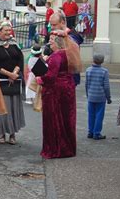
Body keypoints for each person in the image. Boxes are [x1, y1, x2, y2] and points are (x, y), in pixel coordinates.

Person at [37, 31, 80, 159]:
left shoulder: (56, 56)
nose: (50, 42)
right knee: (67, 118)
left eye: (52, 40)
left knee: (55, 119)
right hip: (68, 88)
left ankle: (56, 148)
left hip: (55, 91)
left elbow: (50, 76)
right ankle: (69, 147)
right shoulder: (70, 53)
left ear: (57, 43)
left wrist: (40, 78)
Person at [0, 22, 25, 145]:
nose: (8, 32)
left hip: (14, 81)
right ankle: (2, 133)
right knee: (3, 107)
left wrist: (15, 73)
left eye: (10, 30)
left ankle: (13, 133)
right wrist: (9, 74)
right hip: (1, 81)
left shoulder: (14, 44)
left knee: (14, 107)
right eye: (6, 30)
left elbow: (20, 60)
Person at [49, 12, 83, 85]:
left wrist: (65, 37)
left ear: (62, 22)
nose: (51, 27)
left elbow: (72, 49)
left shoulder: (72, 35)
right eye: (50, 25)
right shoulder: (55, 35)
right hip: (57, 77)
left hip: (69, 77)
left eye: (54, 24)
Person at [85, 54, 111, 140]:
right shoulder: (104, 71)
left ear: (93, 60)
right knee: (99, 115)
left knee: (91, 114)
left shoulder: (88, 70)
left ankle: (90, 132)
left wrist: (88, 95)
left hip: (91, 96)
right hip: (101, 97)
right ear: (102, 61)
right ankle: (97, 133)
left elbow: (86, 84)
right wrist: (108, 98)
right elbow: (106, 86)